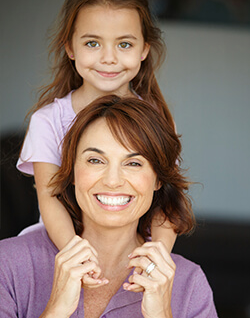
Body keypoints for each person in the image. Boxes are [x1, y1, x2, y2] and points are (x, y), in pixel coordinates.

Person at [0, 95, 218, 318]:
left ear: (158, 179)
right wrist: (56, 310)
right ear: (72, 171)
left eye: (133, 163)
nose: (112, 181)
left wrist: (162, 314)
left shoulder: (190, 285)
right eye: (95, 160)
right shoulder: (7, 265)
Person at [17, 0, 178, 255]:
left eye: (124, 44)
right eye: (93, 43)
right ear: (70, 47)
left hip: (129, 255)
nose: (108, 58)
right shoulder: (47, 121)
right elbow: (49, 199)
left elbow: (168, 200)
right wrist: (75, 254)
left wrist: (158, 255)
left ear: (144, 49)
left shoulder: (157, 119)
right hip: (59, 251)